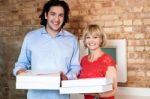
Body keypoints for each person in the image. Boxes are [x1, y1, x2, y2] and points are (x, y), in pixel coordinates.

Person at [13, 0, 81, 99]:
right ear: (46, 15)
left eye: (60, 15)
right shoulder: (31, 37)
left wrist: (68, 77)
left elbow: (76, 67)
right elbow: (21, 63)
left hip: (61, 96)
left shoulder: (72, 40)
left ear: (64, 17)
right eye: (53, 14)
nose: (56, 19)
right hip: (35, 95)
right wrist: (20, 71)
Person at [79, 24, 117, 99]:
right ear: (85, 40)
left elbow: (114, 89)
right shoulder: (83, 60)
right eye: (88, 37)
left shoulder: (107, 60)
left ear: (101, 39)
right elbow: (79, 83)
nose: (91, 40)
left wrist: (95, 95)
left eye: (95, 37)